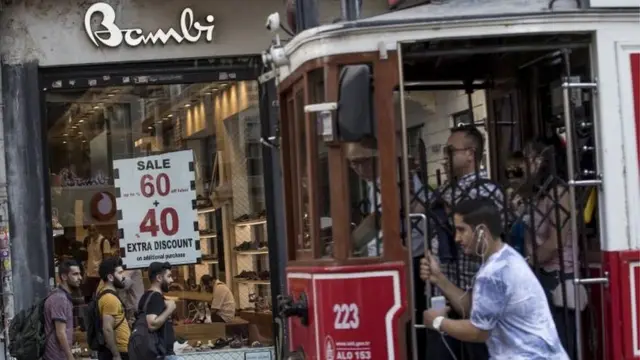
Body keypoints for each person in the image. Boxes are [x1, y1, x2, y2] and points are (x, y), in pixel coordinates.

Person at [421, 198, 569, 360]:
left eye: (462, 230)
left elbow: (478, 332)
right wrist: (439, 278)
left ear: (481, 231)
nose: (456, 238)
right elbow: (476, 308)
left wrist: (437, 322)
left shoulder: (493, 273)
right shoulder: (504, 258)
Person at [521, 140, 583, 358]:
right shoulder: (538, 194)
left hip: (558, 276)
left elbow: (556, 241)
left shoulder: (559, 193)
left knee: (560, 340)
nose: (524, 163)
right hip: (541, 273)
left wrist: (528, 262)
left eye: (529, 157)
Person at [138, 262, 179, 359]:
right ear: (159, 278)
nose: (171, 280)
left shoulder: (146, 296)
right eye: (168, 276)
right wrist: (170, 309)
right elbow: (152, 324)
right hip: (161, 354)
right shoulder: (155, 297)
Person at [44, 260, 82, 360]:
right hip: (56, 355)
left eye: (80, 274)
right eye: (75, 274)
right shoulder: (60, 298)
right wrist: (70, 357)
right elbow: (60, 333)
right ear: (64, 277)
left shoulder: (62, 296)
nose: (80, 278)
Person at [96, 257, 130, 360]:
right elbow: (107, 329)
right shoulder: (109, 298)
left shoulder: (108, 294)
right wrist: (116, 355)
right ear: (110, 277)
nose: (123, 277)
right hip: (119, 352)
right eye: (119, 273)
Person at [83, 225, 111, 301]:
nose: (91, 232)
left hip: (98, 276)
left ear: (98, 230)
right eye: (90, 230)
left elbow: (107, 260)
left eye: (94, 230)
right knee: (87, 300)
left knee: (98, 299)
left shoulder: (104, 241)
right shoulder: (89, 241)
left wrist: (104, 276)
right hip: (89, 275)